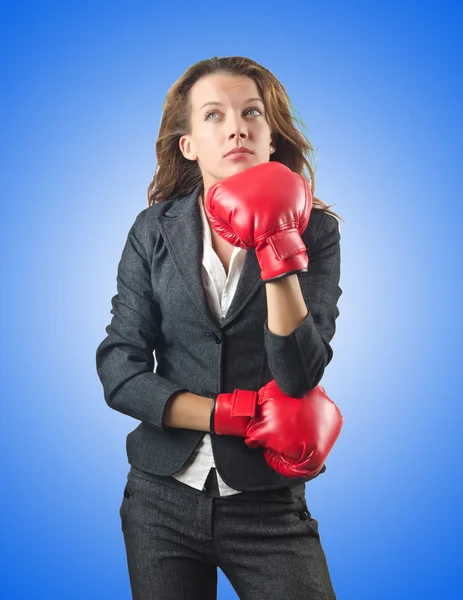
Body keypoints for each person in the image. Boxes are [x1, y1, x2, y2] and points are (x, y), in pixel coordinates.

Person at [95, 55, 344, 600]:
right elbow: (120, 367)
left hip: (267, 504)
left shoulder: (316, 232)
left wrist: (276, 244)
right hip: (160, 497)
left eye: (251, 112)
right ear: (189, 144)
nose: (236, 126)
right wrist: (225, 415)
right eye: (214, 115)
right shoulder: (153, 231)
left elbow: (299, 374)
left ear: (271, 137)